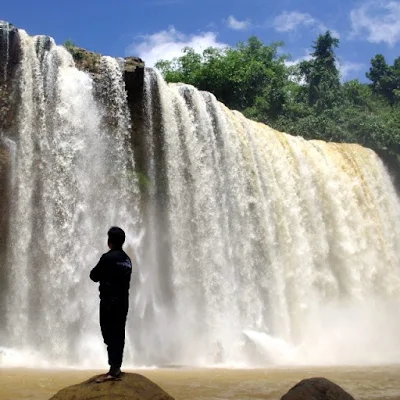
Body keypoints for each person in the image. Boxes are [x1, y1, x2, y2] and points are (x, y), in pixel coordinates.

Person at [90, 226, 132, 382]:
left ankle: (113, 370)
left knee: (108, 332)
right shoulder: (127, 259)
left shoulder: (107, 258)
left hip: (109, 302)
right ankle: (116, 367)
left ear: (110, 241)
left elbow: (94, 275)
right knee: (119, 333)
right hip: (123, 302)